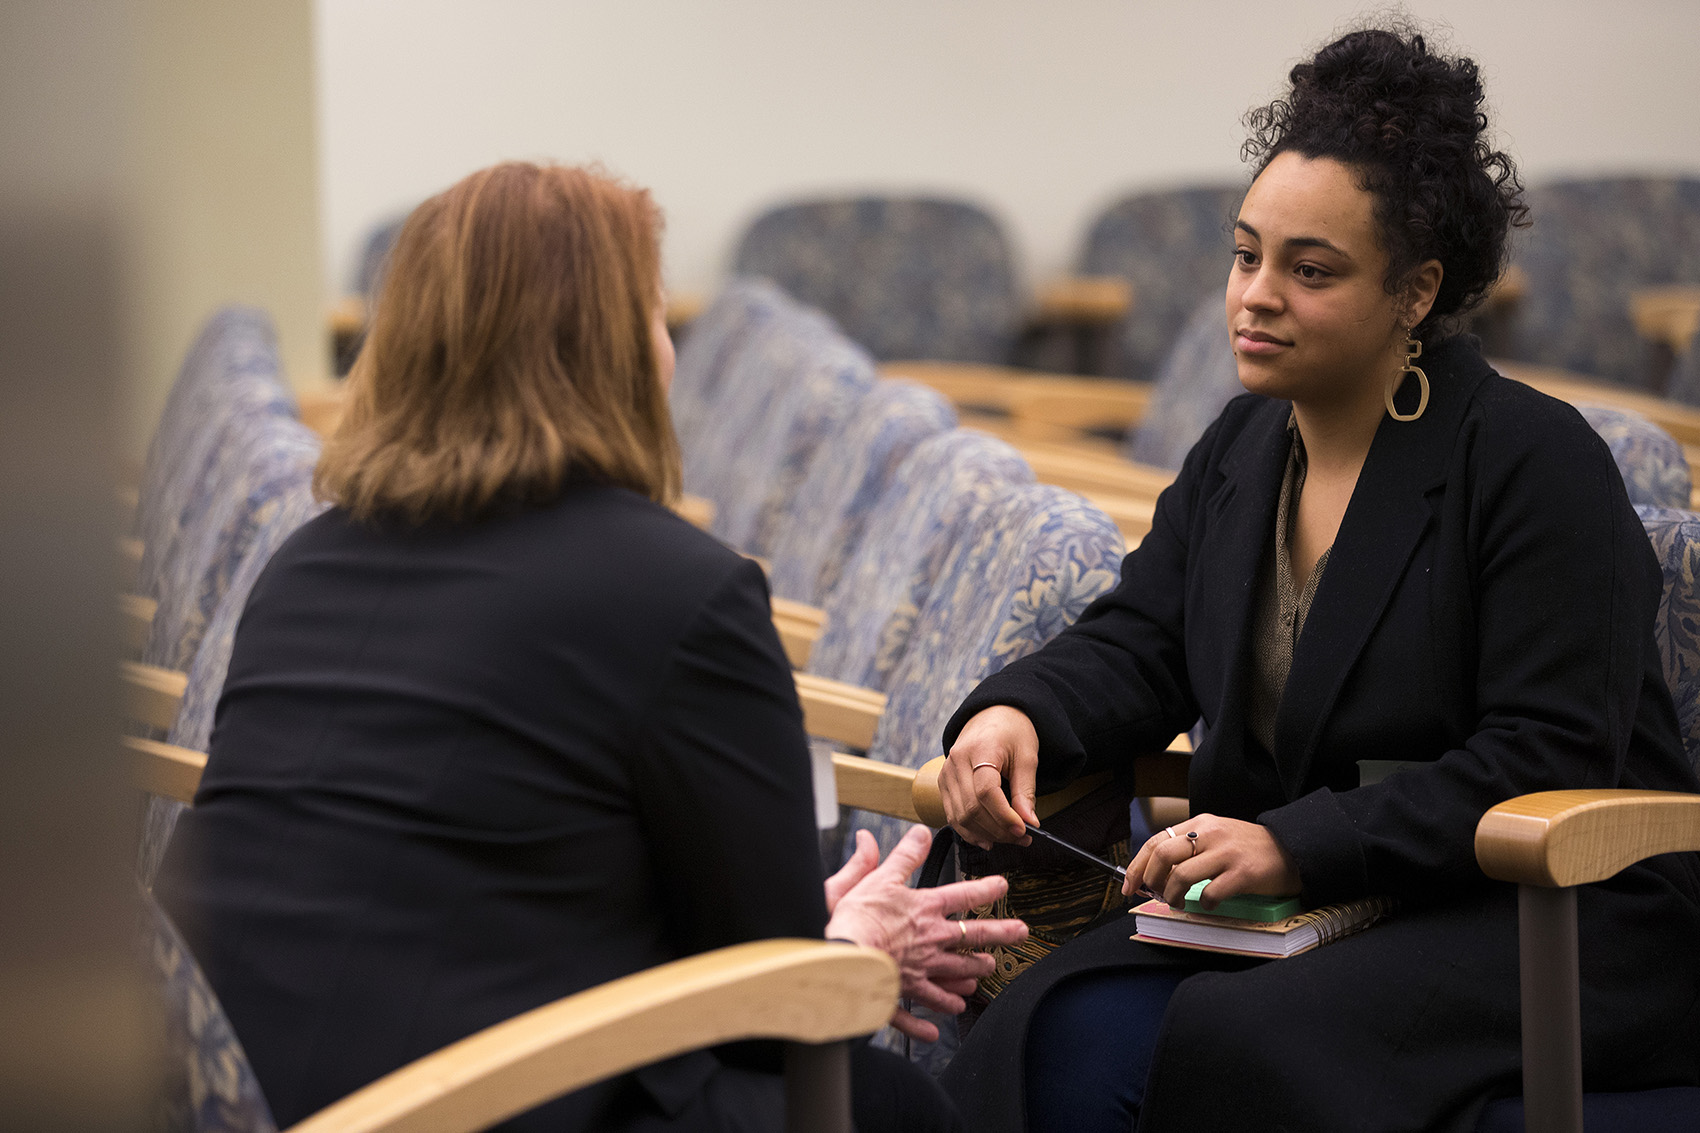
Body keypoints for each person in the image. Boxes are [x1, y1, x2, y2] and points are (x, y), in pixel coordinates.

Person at [153, 161, 1026, 1133]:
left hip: (241, 1083)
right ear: (607, 349)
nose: (668, 349)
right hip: (464, 1097)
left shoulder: (308, 562)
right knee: (898, 1103)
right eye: (654, 314)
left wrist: (812, 943)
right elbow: (770, 1016)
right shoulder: (682, 592)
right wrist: (841, 951)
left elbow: (462, 877)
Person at [936, 26, 1700, 1133]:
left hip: (1541, 904)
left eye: (1309, 270)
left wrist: (1297, 839)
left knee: (1238, 1042)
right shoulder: (1243, 450)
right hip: (1310, 897)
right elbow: (1141, 635)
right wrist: (1017, 711)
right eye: (1245, 255)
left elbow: (1543, 751)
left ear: (1414, 291)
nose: (1253, 295)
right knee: (1047, 1027)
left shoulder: (1534, 463)